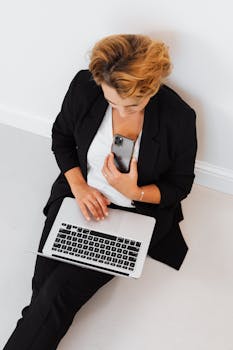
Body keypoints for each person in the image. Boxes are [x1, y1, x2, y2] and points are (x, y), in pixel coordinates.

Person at [4, 33, 197, 349]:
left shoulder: (179, 118)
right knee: (44, 291)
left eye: (133, 104)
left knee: (53, 297)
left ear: (152, 89)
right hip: (79, 197)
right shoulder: (84, 87)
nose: (120, 112)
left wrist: (133, 191)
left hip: (134, 211)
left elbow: (180, 186)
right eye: (111, 102)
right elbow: (62, 138)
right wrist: (79, 188)